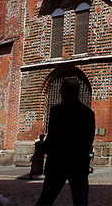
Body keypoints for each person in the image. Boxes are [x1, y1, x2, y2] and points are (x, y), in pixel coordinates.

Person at [36, 78, 96, 206]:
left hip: (58, 161)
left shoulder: (57, 111)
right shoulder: (88, 113)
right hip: (79, 162)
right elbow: (89, 139)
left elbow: (53, 136)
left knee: (47, 197)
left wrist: (43, 147)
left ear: (62, 91)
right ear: (78, 91)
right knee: (80, 200)